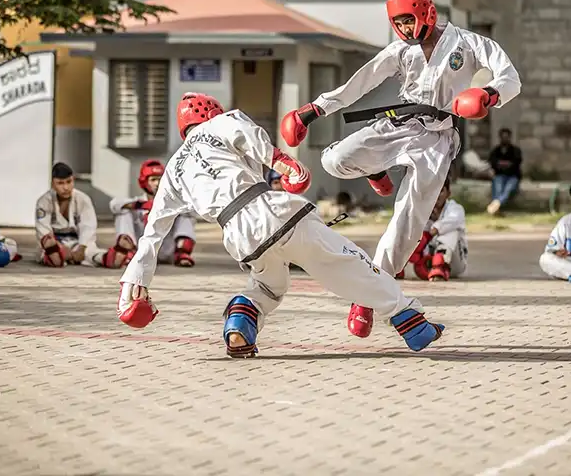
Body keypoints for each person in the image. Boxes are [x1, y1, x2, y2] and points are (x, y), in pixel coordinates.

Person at [117, 92, 446, 358]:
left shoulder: (173, 169)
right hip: (269, 209)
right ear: (211, 114)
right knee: (346, 260)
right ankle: (411, 322)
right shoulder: (222, 123)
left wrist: (135, 284)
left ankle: (239, 327)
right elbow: (247, 136)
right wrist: (283, 163)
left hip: (238, 235)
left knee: (268, 286)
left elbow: (153, 232)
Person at [279, 0, 521, 338]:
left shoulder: (468, 43)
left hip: (437, 141)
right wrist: (313, 110)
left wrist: (489, 94)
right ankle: (374, 169)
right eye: (399, 23)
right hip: (400, 125)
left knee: (407, 224)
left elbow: (510, 77)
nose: (405, 29)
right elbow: (360, 83)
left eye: (409, 21)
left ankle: (367, 295)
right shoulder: (399, 51)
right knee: (334, 159)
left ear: (427, 13)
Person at [35, 162, 127, 268]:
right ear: (52, 184)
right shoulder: (43, 201)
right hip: (55, 243)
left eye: (69, 182)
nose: (66, 187)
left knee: (90, 252)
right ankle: (54, 256)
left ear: (73, 180)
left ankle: (108, 258)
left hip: (77, 242)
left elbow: (88, 226)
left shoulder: (83, 199)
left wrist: (82, 248)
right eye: (60, 183)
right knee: (47, 249)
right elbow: (43, 230)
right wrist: (60, 247)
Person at [109, 159, 197, 267]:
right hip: (139, 251)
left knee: (185, 215)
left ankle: (182, 252)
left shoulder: (173, 202)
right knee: (124, 212)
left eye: (160, 179)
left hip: (166, 252)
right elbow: (114, 204)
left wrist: (174, 207)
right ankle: (127, 251)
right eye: (153, 179)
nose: (157, 183)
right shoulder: (137, 202)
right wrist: (142, 205)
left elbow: (193, 210)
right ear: (144, 182)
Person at [397, 179, 468, 281]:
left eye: (441, 191)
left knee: (451, 231)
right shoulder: (422, 211)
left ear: (448, 193)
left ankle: (440, 265)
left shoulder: (455, 208)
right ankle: (398, 267)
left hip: (454, 263)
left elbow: (453, 221)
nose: (437, 195)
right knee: (409, 231)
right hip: (427, 263)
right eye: (434, 191)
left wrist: (428, 234)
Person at [487, 128, 522, 215]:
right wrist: (506, 164)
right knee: (498, 187)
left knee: (508, 189)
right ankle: (497, 208)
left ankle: (496, 203)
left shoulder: (515, 150)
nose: (505, 139)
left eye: (507, 137)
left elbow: (515, 163)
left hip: (513, 176)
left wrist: (502, 164)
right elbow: (493, 162)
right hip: (499, 175)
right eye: (503, 137)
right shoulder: (496, 150)